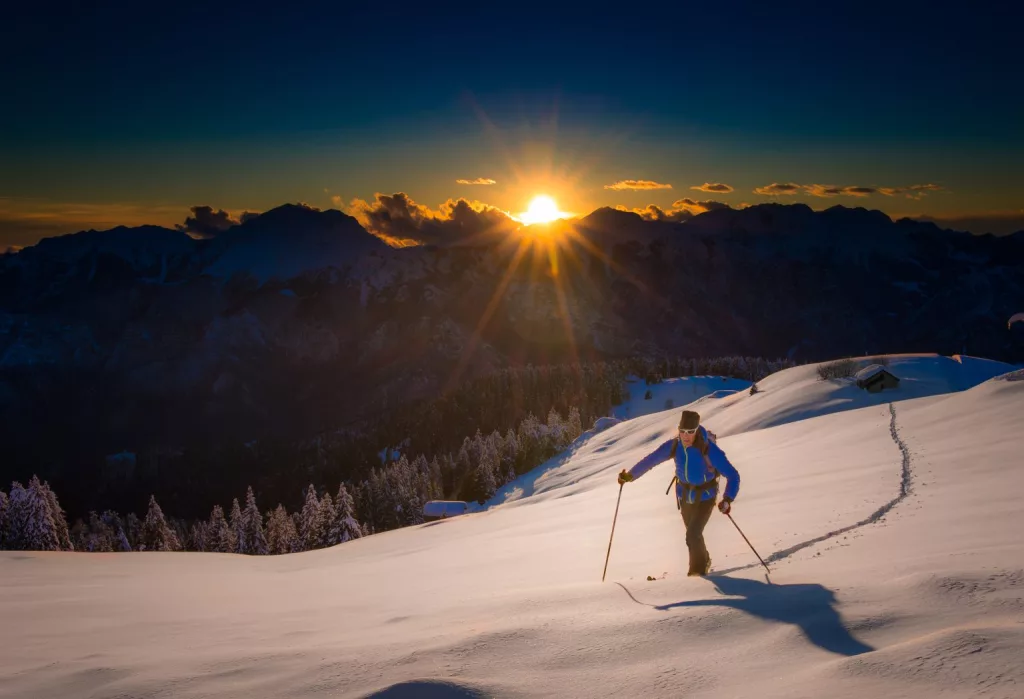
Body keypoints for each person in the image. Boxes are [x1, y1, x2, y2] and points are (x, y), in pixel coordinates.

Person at [617, 409, 740, 576]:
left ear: (697, 430)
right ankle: (704, 560)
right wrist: (630, 475)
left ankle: (695, 575)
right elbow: (652, 459)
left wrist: (727, 499)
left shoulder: (708, 449)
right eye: (682, 431)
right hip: (684, 496)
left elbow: (733, 475)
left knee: (692, 535)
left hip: (706, 497)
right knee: (693, 537)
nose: (686, 436)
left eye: (690, 432)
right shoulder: (674, 446)